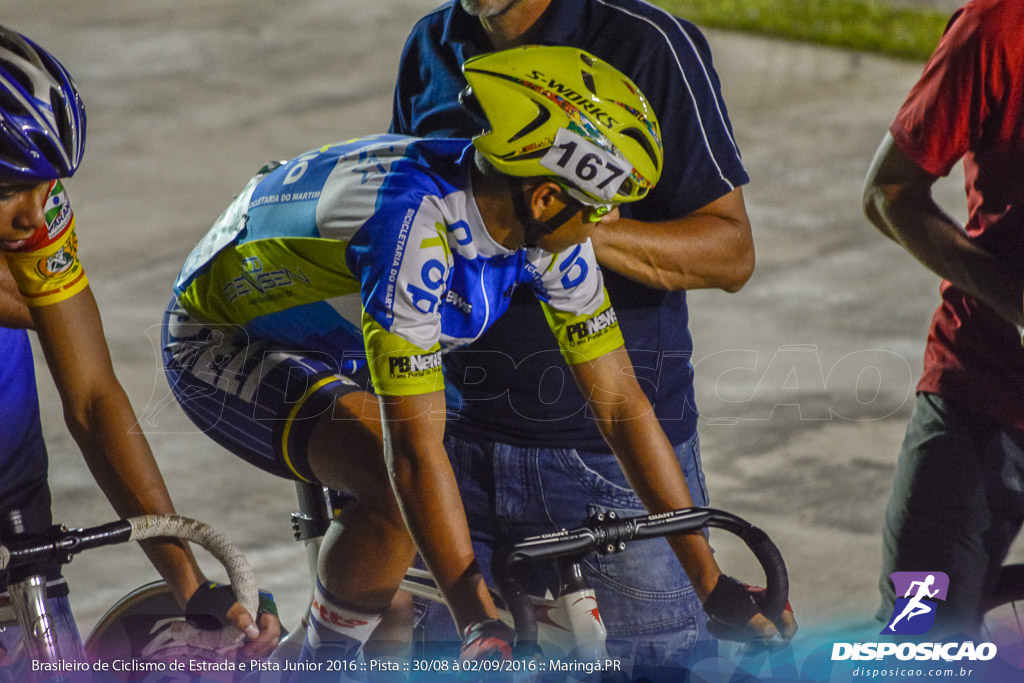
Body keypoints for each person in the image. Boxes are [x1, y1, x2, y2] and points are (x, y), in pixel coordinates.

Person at [163, 46, 789, 670]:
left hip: (337, 329)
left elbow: (622, 403)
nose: (610, 220)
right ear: (546, 198)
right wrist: (477, 619)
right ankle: (306, 666)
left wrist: (712, 585)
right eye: (602, 206)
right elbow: (410, 456)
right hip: (227, 336)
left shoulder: (538, 226)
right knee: (395, 490)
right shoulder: (415, 230)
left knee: (398, 610)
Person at [389, 0, 775, 667]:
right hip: (451, 456)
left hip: (609, 464)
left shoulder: (647, 45)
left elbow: (729, 252)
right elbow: (400, 222)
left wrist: (563, 216)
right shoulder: (431, 45)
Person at [0, 25, 279, 669]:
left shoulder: (37, 213)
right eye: (10, 190)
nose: (37, 217)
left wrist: (191, 584)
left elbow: (94, 396)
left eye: (49, 186)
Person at [862, 0, 1024, 637]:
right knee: (918, 635)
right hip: (982, 387)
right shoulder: (999, 26)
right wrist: (1016, 304)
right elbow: (888, 191)